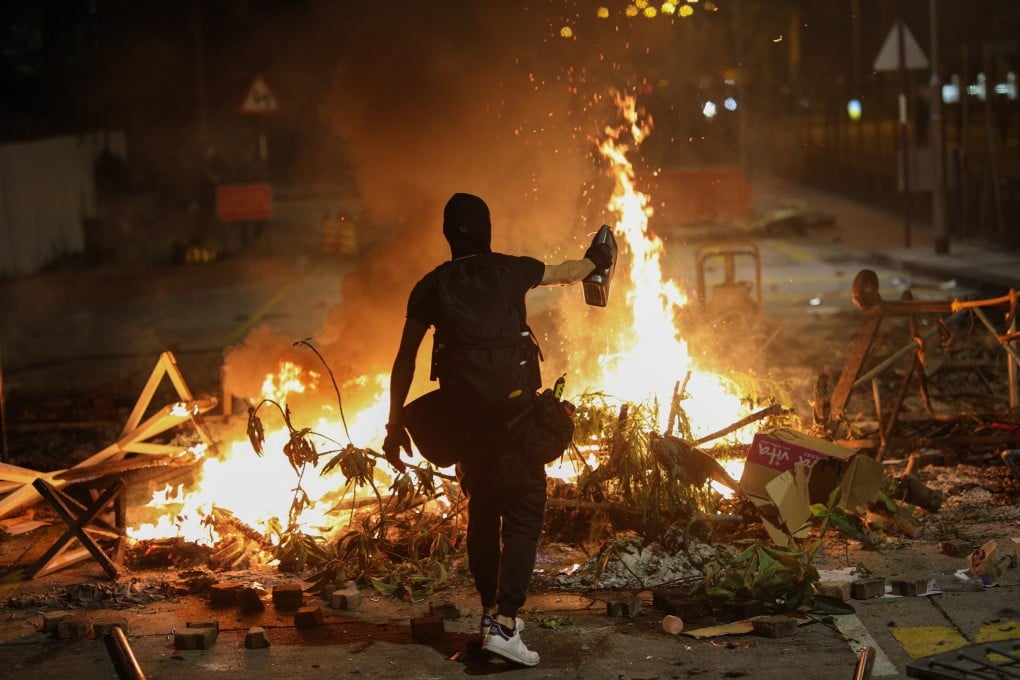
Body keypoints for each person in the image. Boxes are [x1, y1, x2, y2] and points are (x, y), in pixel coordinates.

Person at [382, 192, 612, 667]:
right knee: (525, 515)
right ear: (487, 231)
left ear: (449, 235)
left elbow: (404, 360)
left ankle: (490, 614)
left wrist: (395, 421)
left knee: (483, 517)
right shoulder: (512, 269)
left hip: (468, 433)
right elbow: (568, 272)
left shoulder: (429, 287)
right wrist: (594, 261)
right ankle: (505, 625)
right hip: (516, 425)